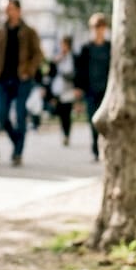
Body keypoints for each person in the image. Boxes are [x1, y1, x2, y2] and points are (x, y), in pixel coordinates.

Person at [0, 0, 44, 166]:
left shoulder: (28, 31)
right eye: (6, 9)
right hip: (3, 79)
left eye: (12, 8)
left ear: (19, 10)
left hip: (22, 79)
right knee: (2, 115)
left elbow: (38, 55)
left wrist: (29, 71)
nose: (9, 12)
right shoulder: (0, 32)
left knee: (21, 115)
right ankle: (17, 142)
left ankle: (18, 152)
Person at [74, 13, 112, 162]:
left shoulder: (110, 47)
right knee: (93, 119)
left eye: (101, 27)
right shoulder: (86, 48)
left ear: (105, 28)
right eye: (96, 27)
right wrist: (78, 87)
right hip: (90, 89)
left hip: (106, 89)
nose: (98, 30)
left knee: (107, 120)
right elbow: (80, 69)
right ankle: (96, 150)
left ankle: (106, 147)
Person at [47, 36, 78, 146]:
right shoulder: (57, 58)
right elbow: (50, 74)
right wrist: (55, 62)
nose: (63, 47)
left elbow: (76, 73)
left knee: (67, 113)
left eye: (64, 44)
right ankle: (64, 133)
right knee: (60, 112)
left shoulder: (74, 57)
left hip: (69, 89)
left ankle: (67, 134)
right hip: (58, 89)